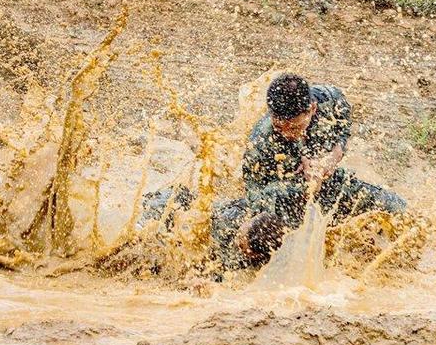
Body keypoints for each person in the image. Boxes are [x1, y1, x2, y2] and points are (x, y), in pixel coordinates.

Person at [141, 73, 406, 273]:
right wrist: (300, 185)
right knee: (254, 248)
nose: (286, 132)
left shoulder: (329, 99)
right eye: (280, 127)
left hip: (326, 180)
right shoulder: (262, 142)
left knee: (398, 211)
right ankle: (168, 203)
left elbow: (343, 127)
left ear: (311, 109)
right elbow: (256, 200)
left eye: (293, 127)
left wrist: (330, 160)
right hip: (281, 198)